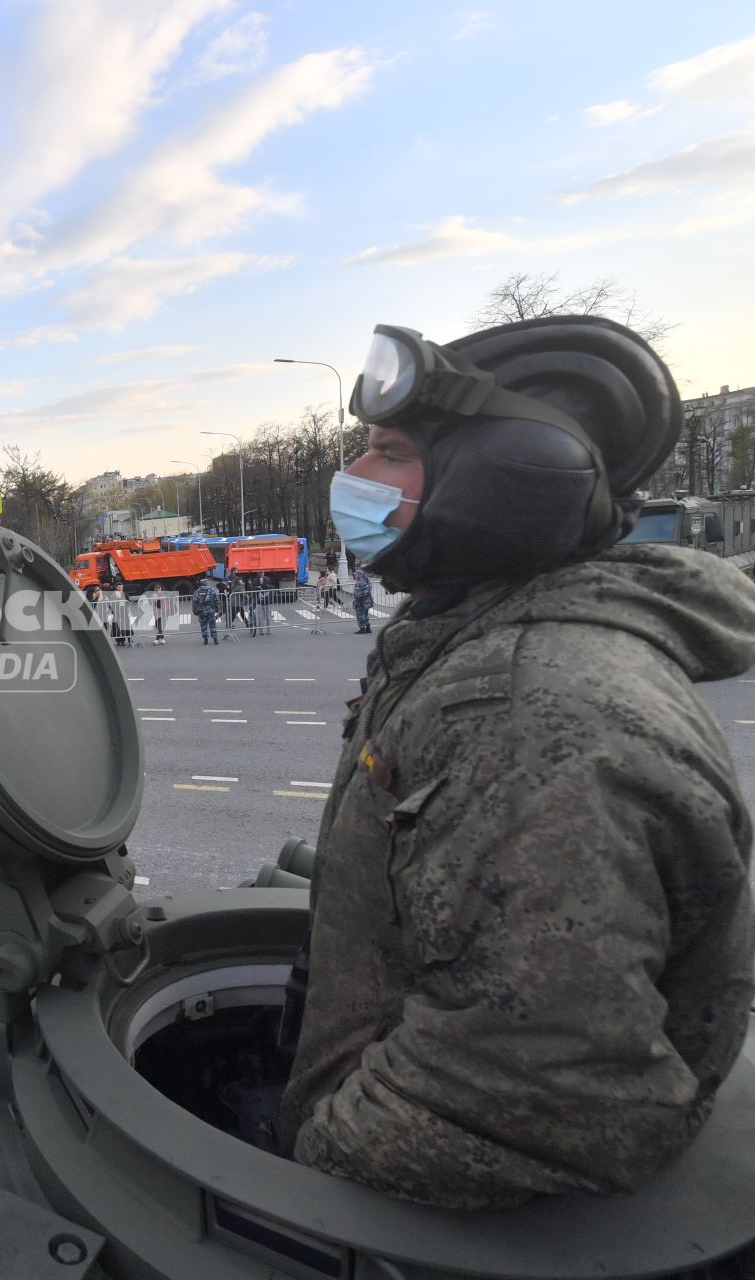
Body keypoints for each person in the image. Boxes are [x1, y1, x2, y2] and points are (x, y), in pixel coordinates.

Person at [280, 316, 755, 1213]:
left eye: (387, 451)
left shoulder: (531, 714)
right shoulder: (475, 633)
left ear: (504, 482)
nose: (354, 479)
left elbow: (522, 1101)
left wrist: (302, 1170)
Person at [191, 577, 220, 645]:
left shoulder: (197, 591)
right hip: (210, 609)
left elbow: (194, 602)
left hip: (201, 610)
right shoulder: (212, 590)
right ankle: (215, 639)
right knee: (212, 624)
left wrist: (194, 610)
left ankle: (205, 639)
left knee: (203, 624)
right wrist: (217, 608)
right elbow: (216, 600)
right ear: (207, 583)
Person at [350, 568, 373, 634]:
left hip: (360, 602)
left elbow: (357, 594)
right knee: (366, 615)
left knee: (360, 615)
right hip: (367, 601)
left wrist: (356, 599)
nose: (354, 576)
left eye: (356, 574)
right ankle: (368, 628)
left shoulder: (359, 583)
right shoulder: (367, 581)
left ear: (359, 575)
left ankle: (362, 628)